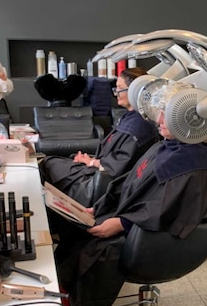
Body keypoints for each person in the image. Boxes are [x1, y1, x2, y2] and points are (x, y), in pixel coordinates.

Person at [55, 81, 207, 306]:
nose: (157, 120)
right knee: (74, 237)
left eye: (165, 115)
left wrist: (123, 223)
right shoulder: (170, 146)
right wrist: (98, 208)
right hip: (135, 222)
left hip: (153, 239)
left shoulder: (196, 161)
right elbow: (126, 181)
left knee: (98, 251)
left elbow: (169, 210)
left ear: (186, 119)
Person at [39, 67, 160, 207]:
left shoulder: (139, 125)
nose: (116, 93)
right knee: (50, 162)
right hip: (98, 169)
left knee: (48, 164)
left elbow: (119, 165)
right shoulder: (131, 117)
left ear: (135, 90)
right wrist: (91, 160)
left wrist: (91, 162)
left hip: (104, 182)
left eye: (120, 88)